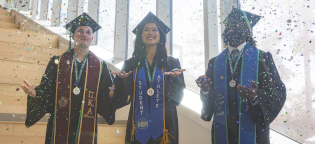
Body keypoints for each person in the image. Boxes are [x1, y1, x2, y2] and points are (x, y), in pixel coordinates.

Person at [21, 13, 116, 144]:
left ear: (92, 38)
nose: (84, 34)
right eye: (80, 31)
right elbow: (47, 91)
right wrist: (34, 93)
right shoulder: (57, 62)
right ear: (73, 36)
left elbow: (104, 97)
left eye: (88, 32)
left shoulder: (101, 66)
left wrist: (117, 88)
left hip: (86, 125)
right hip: (59, 122)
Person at [197, 8, 286, 144]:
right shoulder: (214, 63)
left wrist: (256, 97)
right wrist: (205, 90)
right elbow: (210, 103)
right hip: (223, 132)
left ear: (247, 31)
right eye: (229, 25)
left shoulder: (262, 59)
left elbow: (278, 92)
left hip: (254, 135)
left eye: (237, 24)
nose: (231, 28)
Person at [113, 12, 186, 144]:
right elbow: (123, 98)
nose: (150, 33)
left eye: (154, 29)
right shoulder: (131, 64)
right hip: (137, 125)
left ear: (160, 35)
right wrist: (122, 81)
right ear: (141, 36)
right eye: (146, 29)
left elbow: (178, 99)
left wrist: (175, 79)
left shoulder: (172, 63)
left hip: (166, 126)